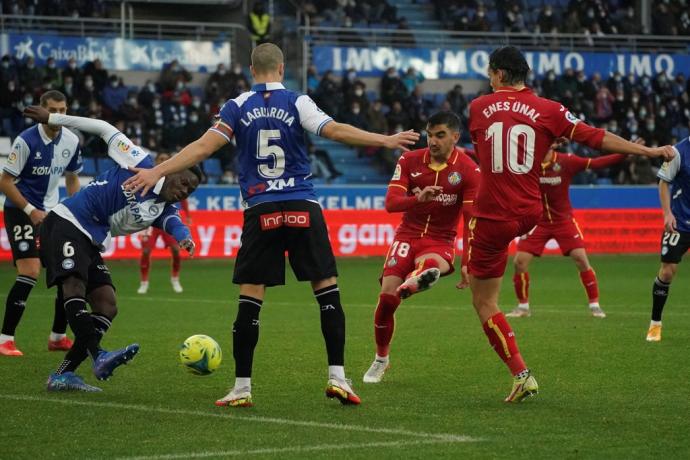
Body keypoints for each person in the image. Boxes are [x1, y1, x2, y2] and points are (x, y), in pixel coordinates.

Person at [122, 43, 419, 407]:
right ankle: (338, 378)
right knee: (326, 289)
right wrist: (385, 139)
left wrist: (157, 170)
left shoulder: (237, 106)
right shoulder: (298, 102)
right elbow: (335, 131)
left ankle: (242, 387)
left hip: (260, 209)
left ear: (251, 70)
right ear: (280, 68)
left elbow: (202, 148)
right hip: (302, 205)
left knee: (251, 296)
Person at [467, 46, 674, 403]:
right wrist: (648, 151)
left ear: (499, 74)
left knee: (485, 301)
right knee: (518, 260)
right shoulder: (550, 109)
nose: (489, 78)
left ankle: (521, 374)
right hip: (531, 213)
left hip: (493, 215)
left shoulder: (478, 107)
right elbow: (597, 137)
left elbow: (485, 153)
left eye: (490, 73)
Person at [22, 105, 199, 392]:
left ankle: (62, 375)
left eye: (190, 191)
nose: (184, 191)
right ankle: (98, 355)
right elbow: (104, 127)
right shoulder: (139, 158)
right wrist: (53, 119)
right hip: (67, 221)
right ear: (173, 170)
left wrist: (185, 238)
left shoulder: (164, 207)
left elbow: (175, 223)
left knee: (107, 304)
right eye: (183, 182)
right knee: (74, 287)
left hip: (91, 239)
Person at [362, 111, 480, 383]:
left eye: (440, 135)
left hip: (440, 239)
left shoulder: (469, 169)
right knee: (386, 300)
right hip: (407, 236)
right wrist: (418, 199)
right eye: (429, 135)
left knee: (430, 264)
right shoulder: (409, 160)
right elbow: (391, 204)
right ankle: (381, 359)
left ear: (455, 137)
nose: (433, 141)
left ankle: (418, 279)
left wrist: (467, 264)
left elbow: (471, 220)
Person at [0, 90, 82, 357]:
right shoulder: (26, 141)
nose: (59, 115)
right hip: (20, 210)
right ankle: (5, 339)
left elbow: (71, 178)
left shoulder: (72, 139)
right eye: (53, 109)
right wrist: (30, 209)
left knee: (66, 271)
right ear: (42, 110)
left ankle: (58, 337)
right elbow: (5, 181)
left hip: (52, 213)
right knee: (31, 270)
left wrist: (77, 208)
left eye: (63, 110)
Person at [507, 146, 626, 319]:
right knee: (519, 262)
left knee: (581, 259)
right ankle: (523, 307)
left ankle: (595, 305)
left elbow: (596, 163)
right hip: (538, 221)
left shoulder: (567, 161)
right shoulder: (526, 164)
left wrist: (624, 153)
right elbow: (495, 161)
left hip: (563, 220)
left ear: (552, 143)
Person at [646, 136, 690, 342]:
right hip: (680, 222)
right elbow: (663, 182)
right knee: (667, 271)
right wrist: (667, 213)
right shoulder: (677, 152)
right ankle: (655, 324)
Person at [137, 153, 192, 294]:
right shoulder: (150, 176)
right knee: (146, 251)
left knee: (175, 250)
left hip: (168, 220)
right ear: (156, 161)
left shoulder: (176, 178)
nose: (164, 161)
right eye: (161, 159)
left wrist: (187, 215)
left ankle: (175, 279)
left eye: (166, 159)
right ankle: (144, 282)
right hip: (150, 220)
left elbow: (183, 197)